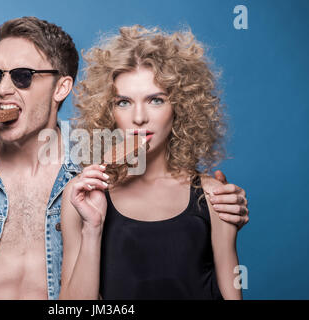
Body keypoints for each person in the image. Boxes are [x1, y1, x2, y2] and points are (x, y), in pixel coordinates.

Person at [0, 18, 248, 300]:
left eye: (22, 77)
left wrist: (219, 201)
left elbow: (167, 183)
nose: (3, 90)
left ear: (62, 86)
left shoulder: (97, 158)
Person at [60, 26, 243, 299]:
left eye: (155, 100)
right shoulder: (82, 195)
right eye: (123, 102)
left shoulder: (213, 195)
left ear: (180, 106)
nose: (139, 117)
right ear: (108, 111)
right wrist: (92, 229)